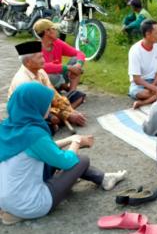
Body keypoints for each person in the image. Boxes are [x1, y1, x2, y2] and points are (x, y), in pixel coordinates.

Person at [0, 83, 127, 225]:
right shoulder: (33, 134)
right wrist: (78, 141)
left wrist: (70, 139)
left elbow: (41, 150)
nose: (49, 107)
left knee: (53, 157)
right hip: (31, 204)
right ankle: (104, 179)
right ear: (36, 106)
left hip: (5, 199)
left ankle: (103, 178)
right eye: (48, 104)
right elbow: (67, 162)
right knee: (80, 160)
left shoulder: (7, 127)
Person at [8, 41, 87, 132]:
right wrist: (67, 115)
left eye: (43, 56)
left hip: (45, 105)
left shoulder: (40, 71)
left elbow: (54, 95)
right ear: (28, 62)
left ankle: (55, 123)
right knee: (52, 120)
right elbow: (37, 110)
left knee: (78, 96)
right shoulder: (24, 81)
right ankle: (53, 123)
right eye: (40, 57)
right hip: (29, 114)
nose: (44, 60)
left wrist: (70, 111)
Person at [33, 19, 86, 92]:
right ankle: (65, 88)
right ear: (47, 32)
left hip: (59, 75)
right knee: (48, 76)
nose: (57, 31)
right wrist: (69, 68)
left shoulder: (58, 43)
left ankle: (72, 92)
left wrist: (78, 65)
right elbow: (42, 67)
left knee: (76, 60)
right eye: (54, 29)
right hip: (45, 81)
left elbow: (79, 53)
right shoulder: (35, 48)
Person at [128, 19, 157, 109]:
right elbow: (137, 79)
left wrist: (154, 86)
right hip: (140, 84)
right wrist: (156, 90)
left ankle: (143, 103)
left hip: (156, 80)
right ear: (148, 35)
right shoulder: (135, 50)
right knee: (141, 93)